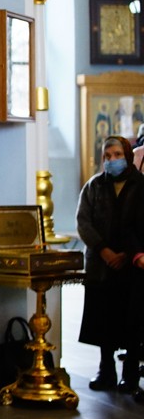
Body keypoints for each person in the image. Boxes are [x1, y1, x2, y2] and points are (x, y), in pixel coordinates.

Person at [76, 135, 144, 395]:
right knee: (103, 318)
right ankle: (106, 370)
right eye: (107, 156)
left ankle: (130, 374)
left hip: (132, 265)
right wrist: (103, 250)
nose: (112, 160)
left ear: (127, 155)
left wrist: (129, 253)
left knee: (132, 319)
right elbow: (84, 221)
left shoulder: (140, 184)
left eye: (117, 155)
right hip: (101, 264)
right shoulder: (95, 185)